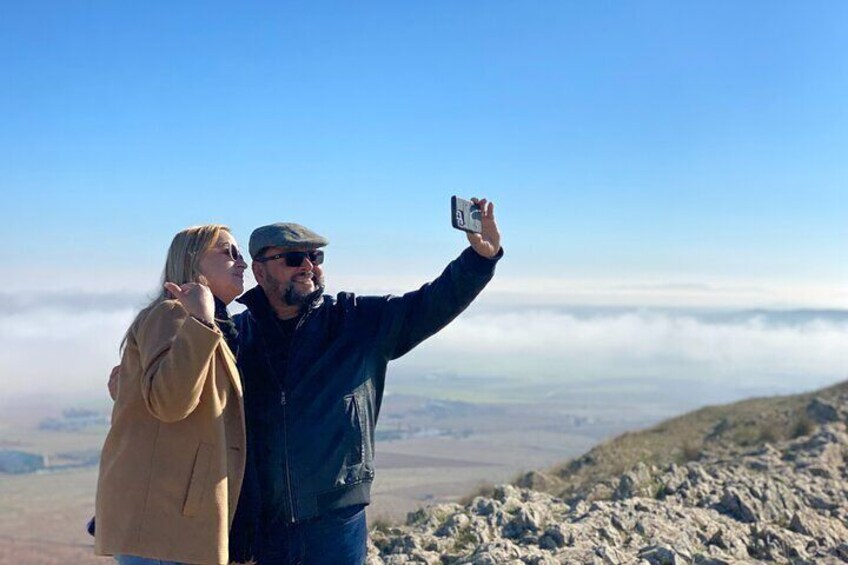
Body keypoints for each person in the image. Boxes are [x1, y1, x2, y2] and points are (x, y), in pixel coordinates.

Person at [233, 197, 502, 564]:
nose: (308, 266)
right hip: (264, 527)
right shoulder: (237, 337)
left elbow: (429, 304)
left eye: (316, 257)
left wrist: (479, 260)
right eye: (294, 258)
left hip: (336, 522)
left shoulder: (356, 321)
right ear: (260, 271)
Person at [94, 224, 249, 565]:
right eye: (228, 252)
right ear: (193, 260)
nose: (243, 263)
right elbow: (169, 402)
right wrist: (200, 323)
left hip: (173, 525)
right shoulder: (173, 314)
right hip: (164, 527)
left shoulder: (211, 324)